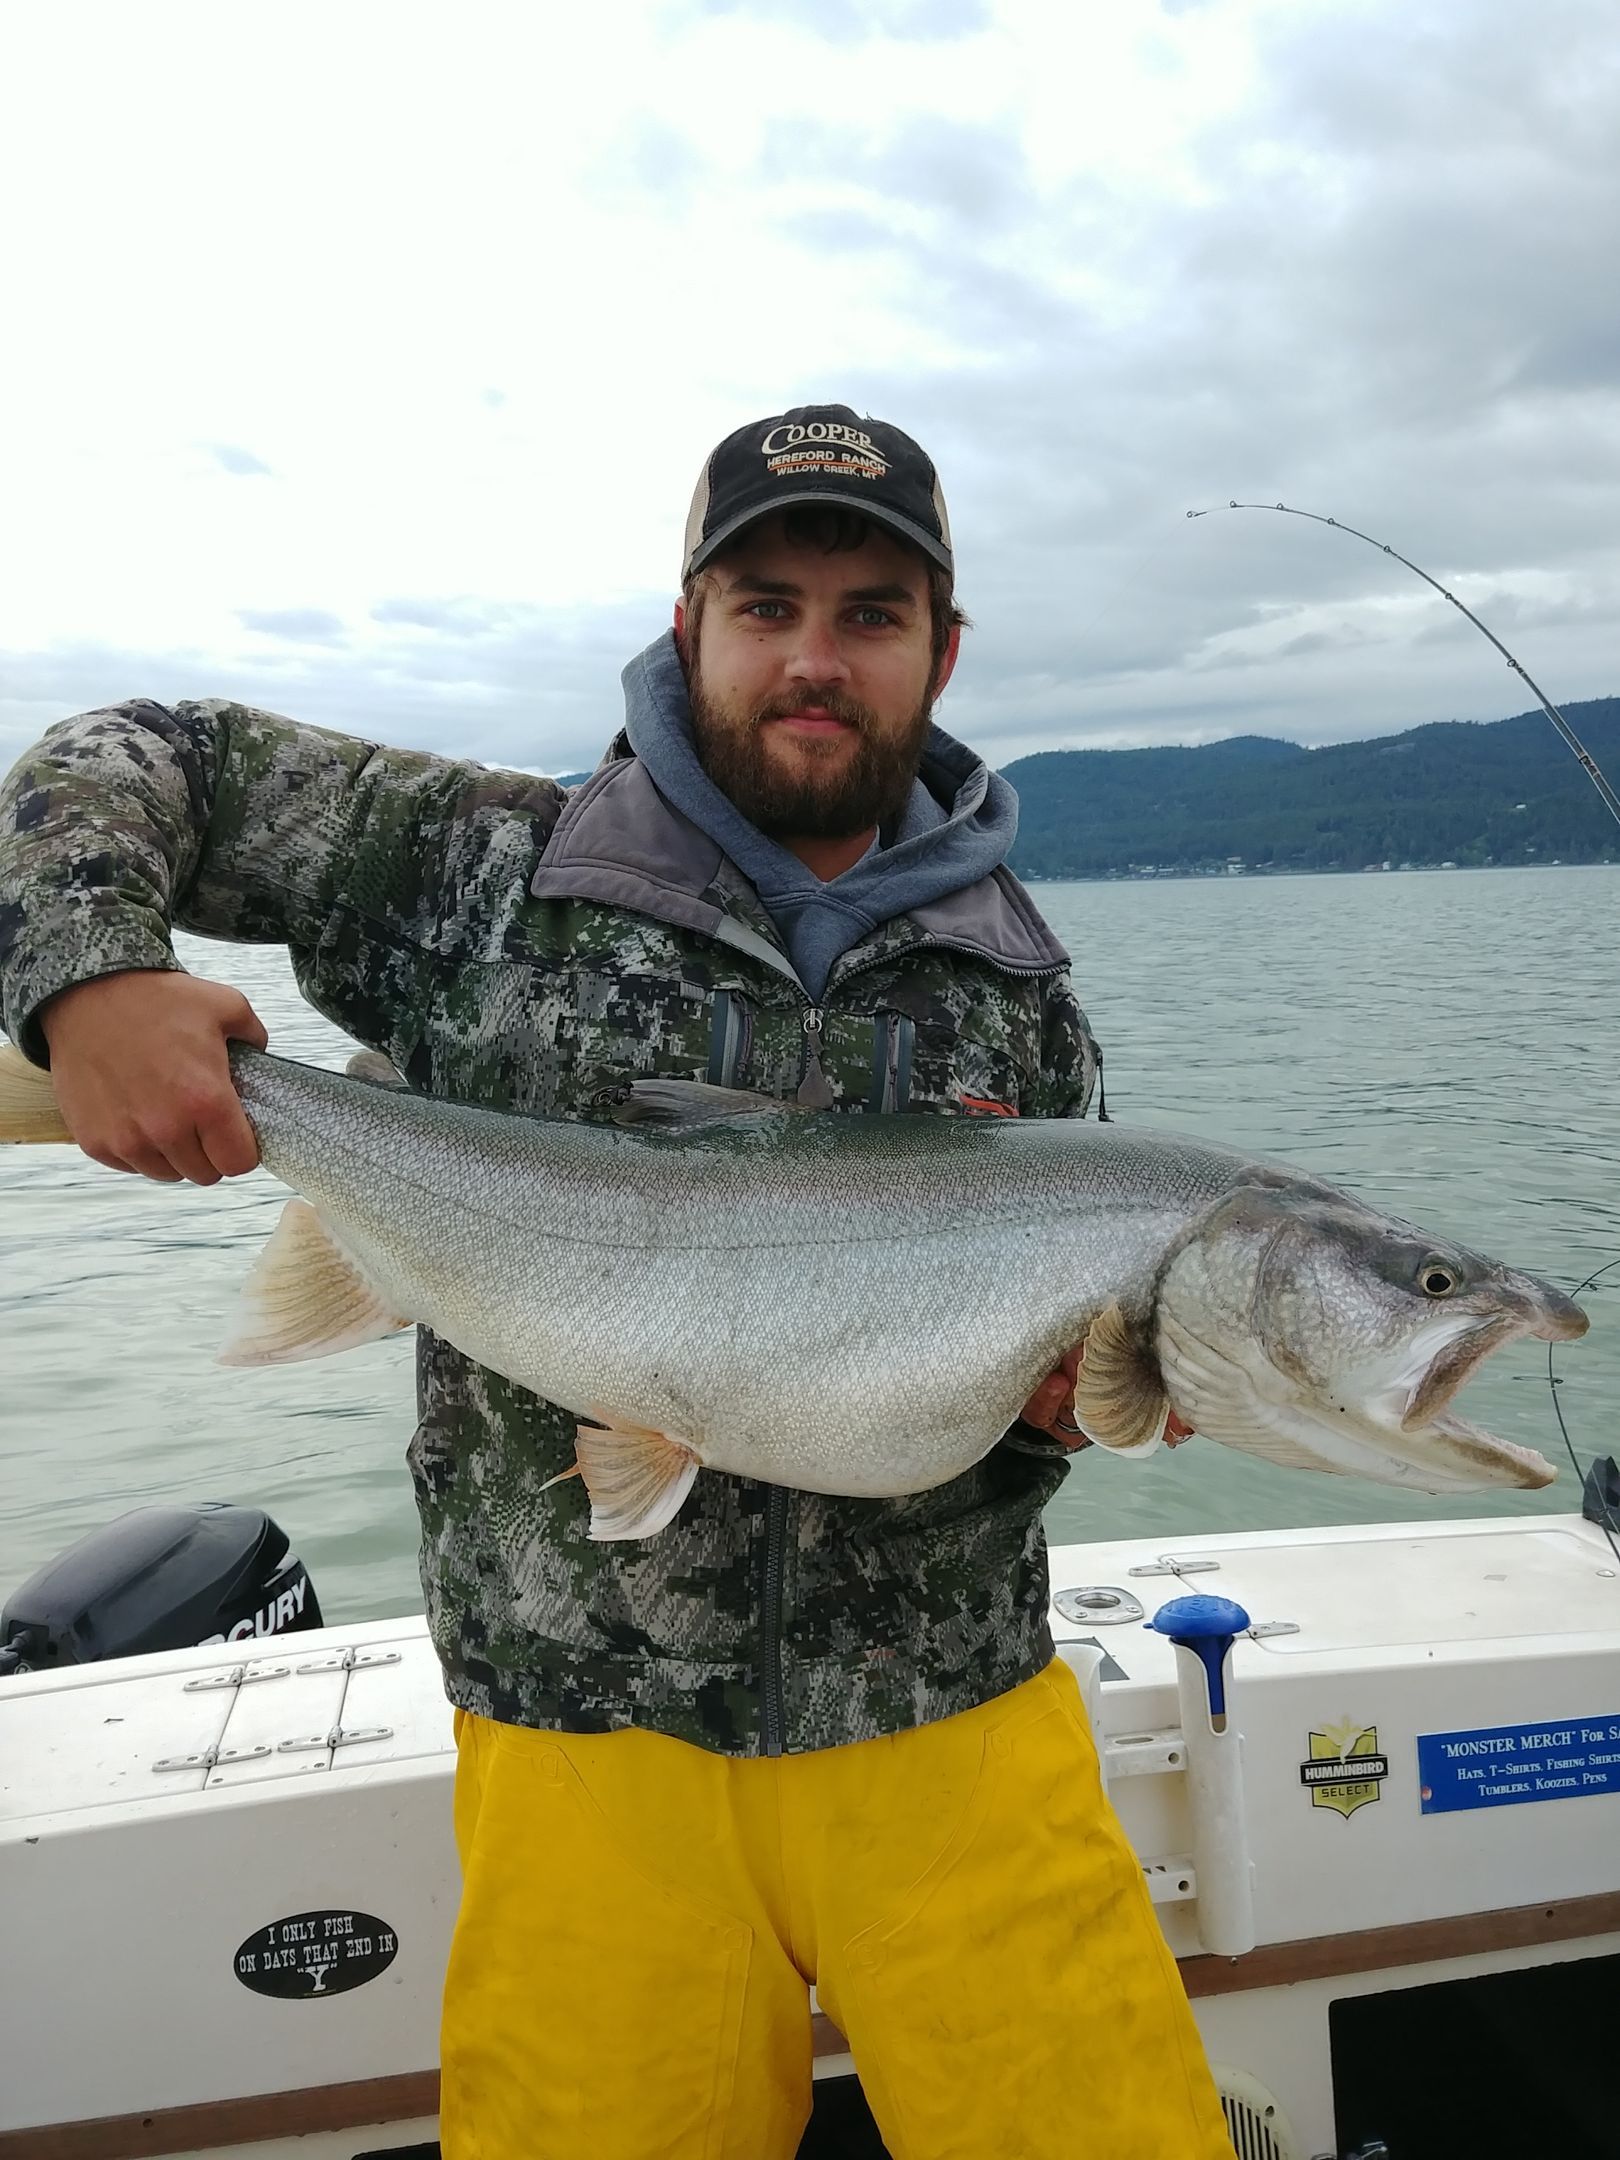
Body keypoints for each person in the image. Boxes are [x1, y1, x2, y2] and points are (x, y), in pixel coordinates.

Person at [0, 405, 1233, 2159]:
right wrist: (90, 976)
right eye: (768, 604)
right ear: (688, 626)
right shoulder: (475, 865)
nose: (816, 657)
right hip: (583, 1739)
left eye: (873, 614)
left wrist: (1067, 1407)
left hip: (957, 1718)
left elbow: (1046, 1400)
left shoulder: (1021, 988)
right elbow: (133, 751)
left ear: (942, 653)